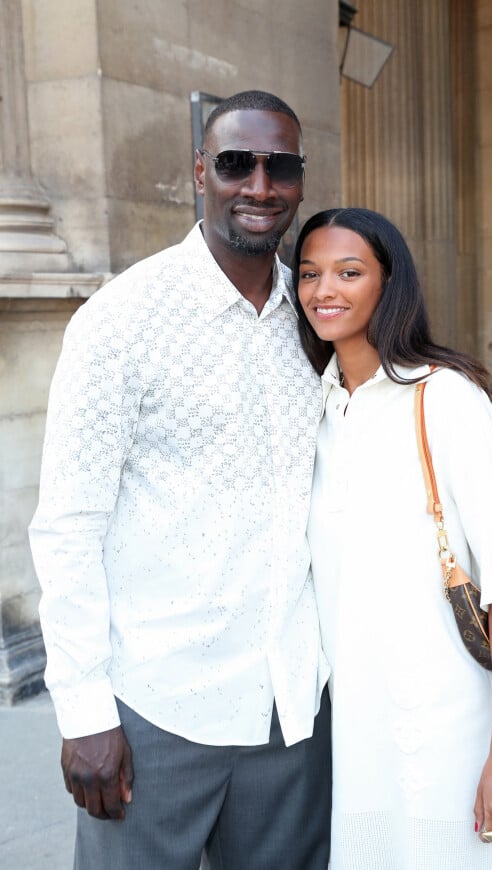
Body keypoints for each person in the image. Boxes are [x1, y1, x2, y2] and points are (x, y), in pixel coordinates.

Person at [28, 90, 331, 870]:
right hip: (156, 710)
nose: (259, 186)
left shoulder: (317, 316)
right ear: (200, 172)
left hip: (290, 707)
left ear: (300, 179)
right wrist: (84, 710)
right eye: (236, 163)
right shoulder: (122, 320)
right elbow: (69, 525)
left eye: (281, 166)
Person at [292, 207, 492, 870]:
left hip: (451, 722)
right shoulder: (314, 406)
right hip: (357, 725)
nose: (325, 290)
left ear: (389, 283)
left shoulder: (446, 398)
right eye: (310, 273)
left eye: (349, 272)